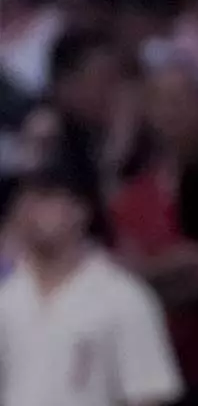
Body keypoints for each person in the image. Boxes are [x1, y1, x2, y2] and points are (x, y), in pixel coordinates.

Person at [0, 163, 183, 406]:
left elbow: (148, 393)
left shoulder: (123, 296)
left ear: (81, 210)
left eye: (46, 199)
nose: (32, 211)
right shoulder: (7, 295)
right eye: (26, 200)